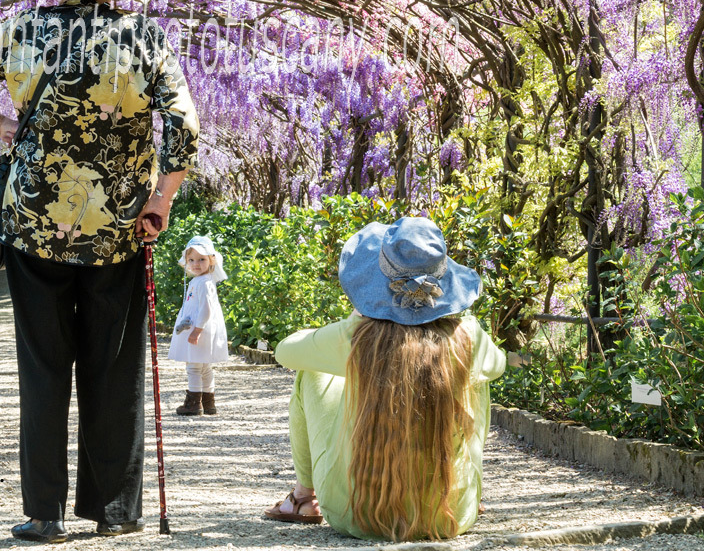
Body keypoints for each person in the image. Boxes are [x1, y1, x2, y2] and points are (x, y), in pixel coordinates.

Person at [0, 0, 199, 544]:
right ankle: (115, 511)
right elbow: (183, 129)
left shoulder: (21, 30)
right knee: (115, 367)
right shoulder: (145, 39)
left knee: (44, 368)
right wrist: (161, 200)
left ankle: (43, 513)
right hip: (120, 230)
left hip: (35, 225)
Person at [263, 215, 516, 542]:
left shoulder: (357, 336)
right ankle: (455, 487)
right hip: (452, 518)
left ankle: (303, 498)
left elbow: (286, 351)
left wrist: (351, 322)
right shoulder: (468, 336)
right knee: (474, 376)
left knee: (314, 373)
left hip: (354, 513)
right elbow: (498, 364)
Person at [167, 235, 229, 416]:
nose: (196, 264)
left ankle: (194, 403)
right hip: (201, 329)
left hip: (200, 330)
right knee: (204, 366)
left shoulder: (204, 282)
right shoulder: (200, 280)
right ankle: (208, 402)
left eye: (201, 259)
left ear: (211, 260)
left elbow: (206, 309)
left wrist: (197, 330)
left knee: (194, 366)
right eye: (191, 260)